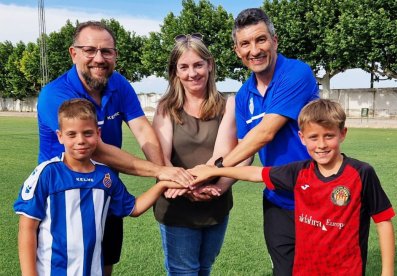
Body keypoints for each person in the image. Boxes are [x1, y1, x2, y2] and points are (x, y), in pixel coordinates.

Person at [36, 21, 193, 275]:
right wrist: (161, 171)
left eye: (106, 51)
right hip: (63, 200)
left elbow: (142, 128)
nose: (99, 58)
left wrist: (165, 172)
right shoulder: (55, 94)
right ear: (73, 53)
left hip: (106, 192)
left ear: (115, 56)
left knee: (104, 264)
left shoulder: (118, 84)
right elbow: (95, 150)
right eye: (90, 50)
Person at [189, 99, 396, 276]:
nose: (321, 144)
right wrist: (215, 171)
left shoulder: (361, 173)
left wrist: (387, 272)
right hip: (303, 270)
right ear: (302, 138)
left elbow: (383, 220)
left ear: (342, 134)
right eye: (313, 137)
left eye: (329, 136)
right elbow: (255, 173)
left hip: (346, 270)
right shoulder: (298, 172)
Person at [14, 99, 186, 276]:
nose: (80, 140)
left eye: (88, 133)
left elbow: (133, 208)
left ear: (98, 133)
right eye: (71, 134)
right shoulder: (47, 174)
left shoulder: (106, 177)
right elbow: (27, 228)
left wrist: (162, 184)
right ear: (60, 136)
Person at [210, 8, 319, 275]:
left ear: (275, 40)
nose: (254, 50)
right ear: (237, 51)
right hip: (276, 200)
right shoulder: (244, 94)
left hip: (317, 196)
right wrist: (218, 185)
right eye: (245, 44)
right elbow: (244, 151)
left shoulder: (296, 73)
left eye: (261, 40)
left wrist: (211, 169)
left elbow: (265, 134)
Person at [151, 33, 247, 275]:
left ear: (210, 65)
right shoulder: (166, 108)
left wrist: (218, 187)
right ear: (175, 72)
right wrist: (186, 187)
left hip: (215, 200)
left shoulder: (229, 106)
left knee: (204, 269)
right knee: (184, 271)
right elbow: (160, 159)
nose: (192, 73)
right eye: (184, 67)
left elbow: (231, 154)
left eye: (198, 65)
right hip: (176, 204)